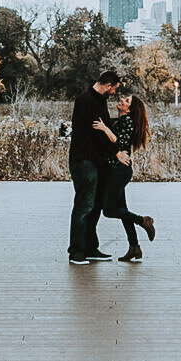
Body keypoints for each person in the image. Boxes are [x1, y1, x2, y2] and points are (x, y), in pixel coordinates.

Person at [93, 91, 156, 261]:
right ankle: (134, 247)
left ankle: (143, 220)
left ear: (129, 109)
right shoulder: (120, 120)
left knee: (109, 210)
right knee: (122, 211)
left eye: (126, 100)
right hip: (116, 170)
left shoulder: (127, 121)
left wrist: (105, 128)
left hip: (119, 171)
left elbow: (119, 143)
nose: (122, 99)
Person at [67, 70, 120, 265]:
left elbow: (105, 128)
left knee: (95, 205)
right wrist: (116, 152)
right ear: (108, 85)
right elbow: (98, 133)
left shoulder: (100, 101)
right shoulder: (85, 100)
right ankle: (76, 251)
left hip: (97, 161)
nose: (114, 93)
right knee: (84, 205)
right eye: (114, 89)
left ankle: (90, 247)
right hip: (83, 160)